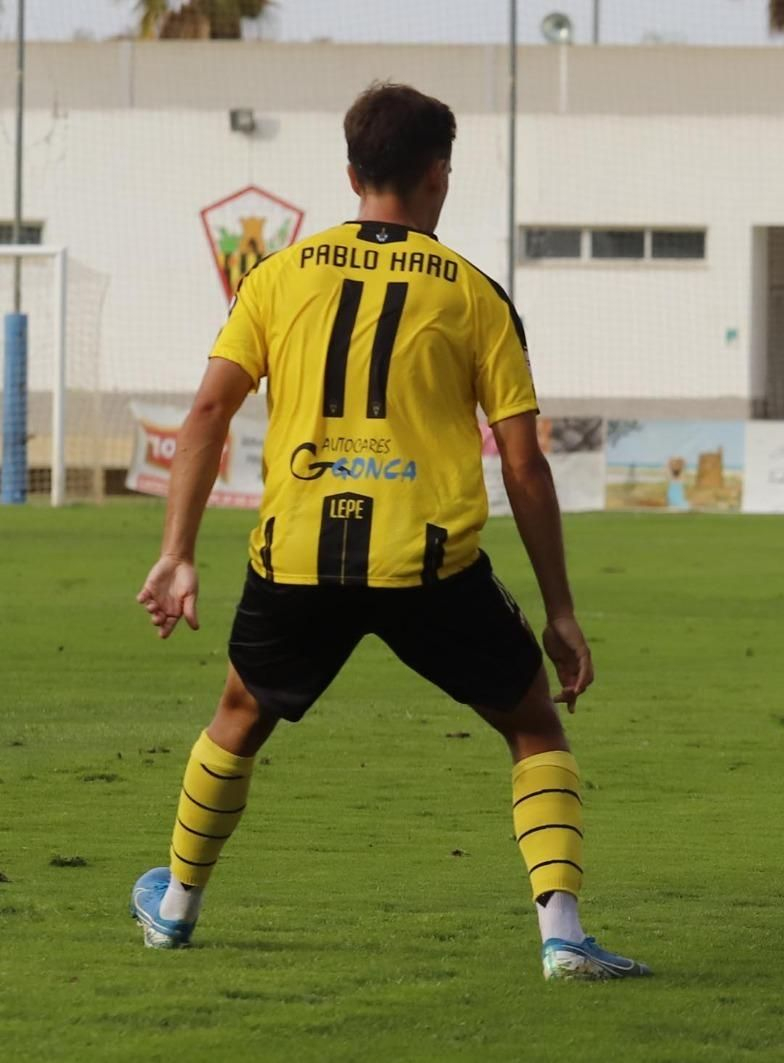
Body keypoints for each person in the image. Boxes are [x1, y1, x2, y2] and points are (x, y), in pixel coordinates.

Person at [131, 82, 650, 980]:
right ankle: (562, 935)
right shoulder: (476, 296)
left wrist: (176, 552)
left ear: (350, 171)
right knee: (533, 725)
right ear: (439, 175)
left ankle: (174, 908)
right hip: (429, 562)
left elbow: (210, 409)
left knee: (238, 717)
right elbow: (525, 465)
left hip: (297, 554)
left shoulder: (280, 274)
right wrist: (561, 610)